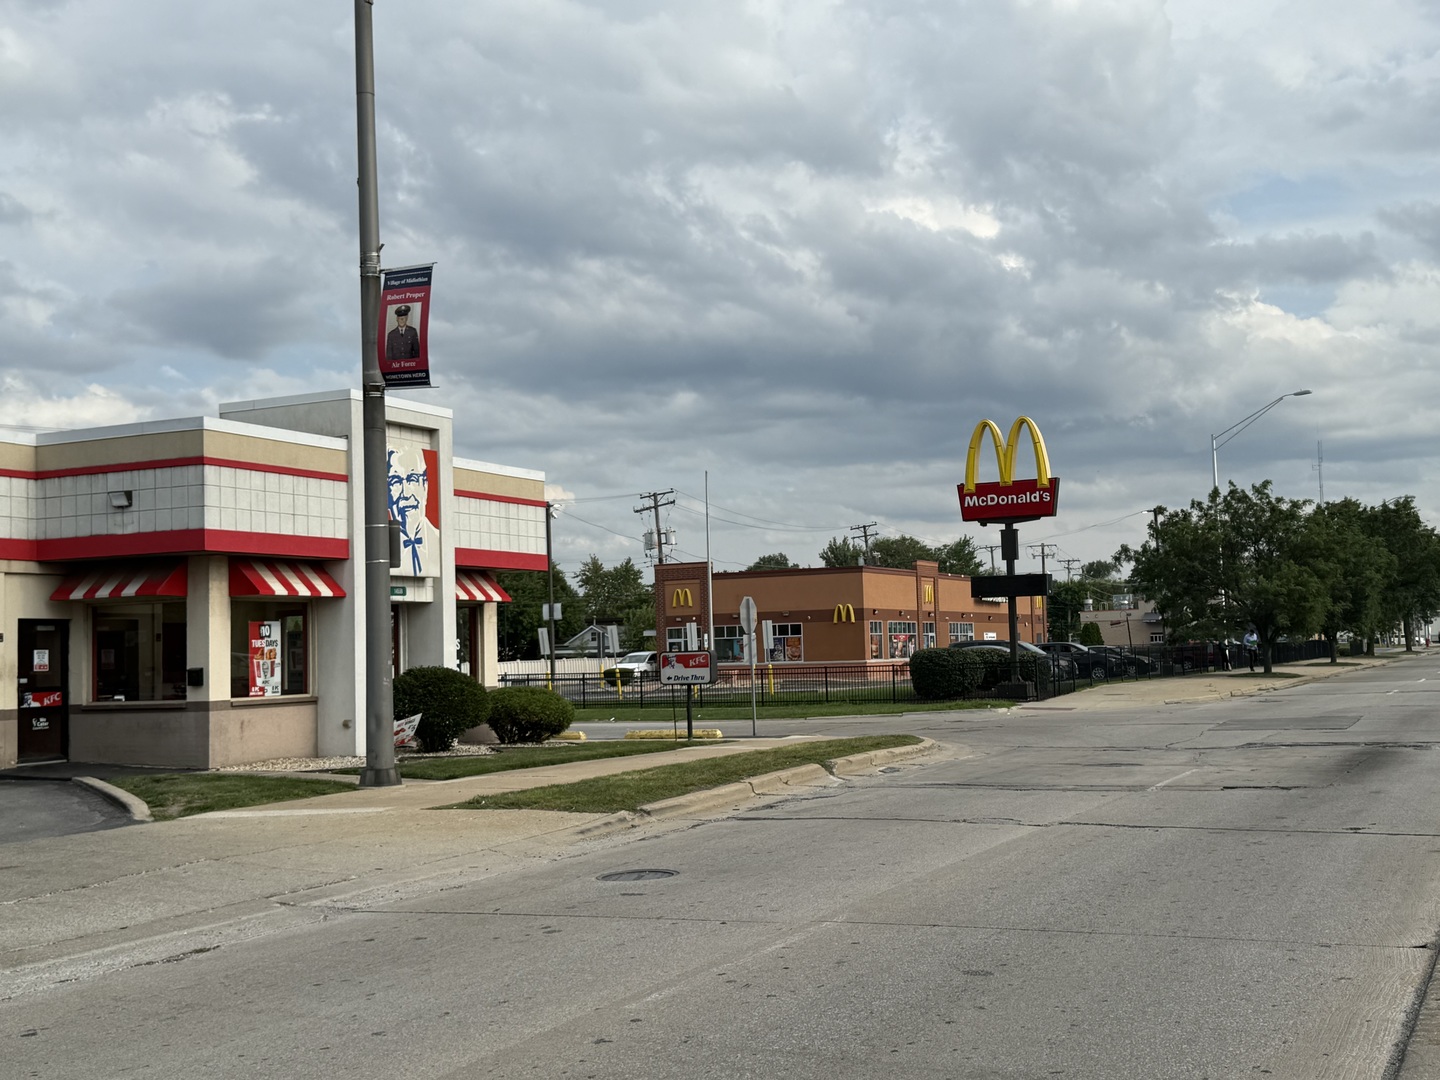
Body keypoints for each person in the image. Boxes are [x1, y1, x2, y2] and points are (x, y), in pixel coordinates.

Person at [387, 448, 436, 576]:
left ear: (425, 487)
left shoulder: (438, 541)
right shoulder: (380, 549)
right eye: (396, 481)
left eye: (412, 479)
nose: (406, 493)